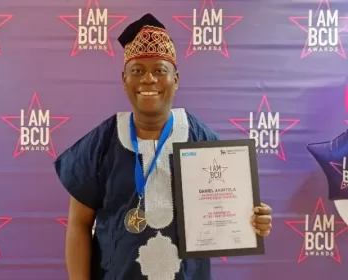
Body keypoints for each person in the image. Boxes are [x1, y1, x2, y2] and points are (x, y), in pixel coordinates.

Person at [54, 13, 272, 280]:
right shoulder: (101, 143)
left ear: (176, 79)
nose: (149, 79)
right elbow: (78, 224)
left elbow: (228, 210)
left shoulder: (202, 139)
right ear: (124, 80)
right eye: (137, 71)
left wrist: (250, 221)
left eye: (159, 70)